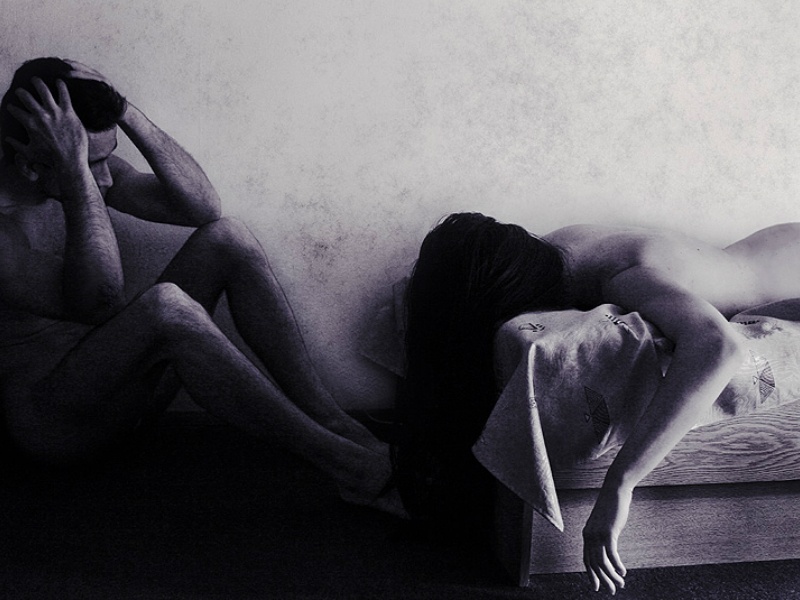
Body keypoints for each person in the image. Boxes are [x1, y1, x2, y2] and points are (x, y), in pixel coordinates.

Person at [0, 57, 401, 516]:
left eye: (106, 159)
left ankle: (332, 419)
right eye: (92, 164)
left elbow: (203, 209)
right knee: (164, 307)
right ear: (31, 164)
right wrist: (76, 174)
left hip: (126, 393)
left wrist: (125, 111)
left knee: (228, 237)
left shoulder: (79, 176)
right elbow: (99, 302)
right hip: (60, 424)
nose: (107, 178)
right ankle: (353, 469)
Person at [395, 211, 800, 593]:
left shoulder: (623, 276)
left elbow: (720, 347)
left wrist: (621, 484)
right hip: (777, 245)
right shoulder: (563, 244)